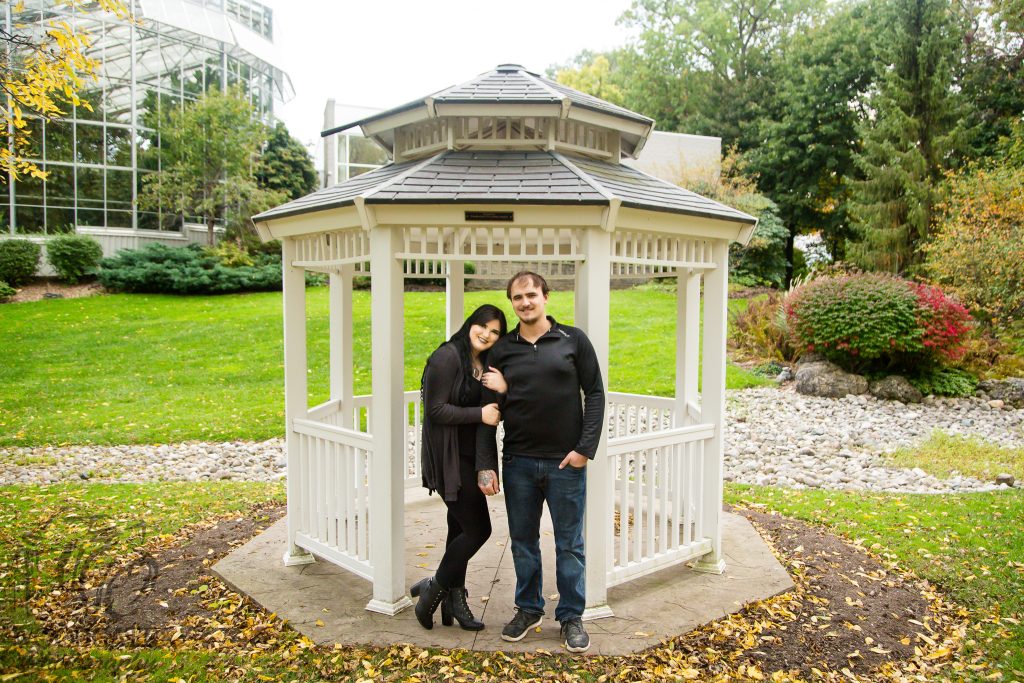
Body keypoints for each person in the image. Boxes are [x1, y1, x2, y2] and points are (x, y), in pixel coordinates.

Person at [477, 271, 605, 654]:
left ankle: (570, 617)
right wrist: (488, 464)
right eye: (518, 298)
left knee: (569, 545)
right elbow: (489, 409)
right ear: (512, 303)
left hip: (566, 463)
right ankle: (529, 609)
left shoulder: (573, 340)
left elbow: (595, 393)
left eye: (531, 295)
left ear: (546, 296)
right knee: (523, 542)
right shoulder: (502, 350)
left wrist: (585, 449)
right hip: (517, 461)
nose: (525, 303)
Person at [410, 304, 507, 631]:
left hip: (468, 458)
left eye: (495, 332)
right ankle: (433, 588)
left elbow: (492, 413)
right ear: (470, 324)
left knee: (459, 528)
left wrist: (485, 464)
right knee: (479, 530)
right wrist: (477, 415)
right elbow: (435, 410)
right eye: (483, 326)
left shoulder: (484, 364)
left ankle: (454, 598)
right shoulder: (447, 357)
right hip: (448, 457)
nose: (487, 334)